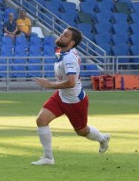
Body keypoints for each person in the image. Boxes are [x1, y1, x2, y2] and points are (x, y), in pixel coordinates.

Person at [31, 27, 110, 165]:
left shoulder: (68, 58)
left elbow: (71, 82)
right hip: (61, 96)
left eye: (65, 36)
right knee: (41, 120)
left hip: (74, 101)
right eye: (62, 33)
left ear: (72, 42)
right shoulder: (64, 52)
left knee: (82, 131)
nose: (61, 36)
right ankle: (48, 158)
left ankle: (103, 139)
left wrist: (50, 84)